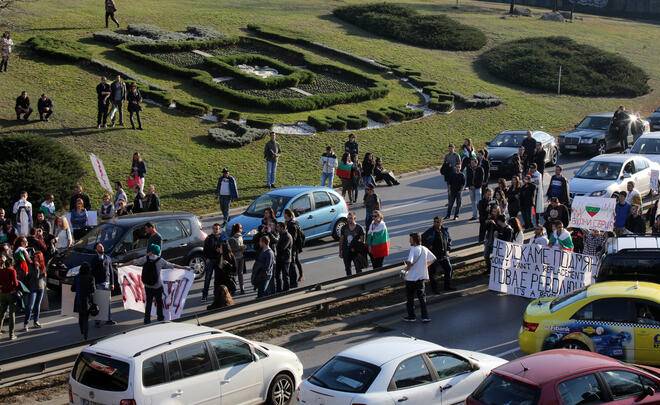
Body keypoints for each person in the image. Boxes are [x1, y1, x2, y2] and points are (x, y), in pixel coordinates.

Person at [117, 244, 191, 324]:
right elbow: (172, 265)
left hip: (147, 285)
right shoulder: (160, 260)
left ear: (151, 251)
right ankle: (160, 317)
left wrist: (122, 265)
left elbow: (134, 261)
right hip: (157, 285)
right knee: (159, 302)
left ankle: (147, 319)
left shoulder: (145, 259)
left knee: (148, 303)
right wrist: (184, 268)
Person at [403, 232, 436, 323]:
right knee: (422, 298)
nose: (409, 241)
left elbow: (409, 261)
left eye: (410, 239)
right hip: (421, 278)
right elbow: (433, 258)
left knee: (410, 299)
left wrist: (406, 268)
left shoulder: (413, 250)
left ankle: (411, 316)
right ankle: (425, 316)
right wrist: (425, 265)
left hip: (411, 278)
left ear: (414, 240)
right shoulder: (424, 248)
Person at [422, 216, 453, 292]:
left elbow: (449, 240)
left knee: (449, 269)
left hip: (443, 254)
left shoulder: (444, 231)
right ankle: (434, 289)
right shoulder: (430, 231)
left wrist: (448, 250)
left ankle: (447, 286)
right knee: (432, 273)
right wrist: (428, 246)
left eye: (437, 222)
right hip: (434, 256)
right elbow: (422, 240)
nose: (435, 223)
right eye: (434, 222)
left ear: (441, 223)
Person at [90, 242, 116, 327]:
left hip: (107, 283)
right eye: (99, 247)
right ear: (96, 250)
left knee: (107, 302)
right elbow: (92, 273)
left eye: (102, 246)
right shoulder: (94, 260)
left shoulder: (107, 258)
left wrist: (112, 283)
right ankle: (98, 320)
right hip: (98, 284)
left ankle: (109, 319)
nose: (101, 248)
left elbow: (111, 271)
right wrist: (93, 285)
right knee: (99, 302)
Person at [71, 262, 95, 340]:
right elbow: (93, 290)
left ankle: (82, 330)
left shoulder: (77, 277)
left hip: (78, 299)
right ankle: (86, 334)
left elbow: (72, 289)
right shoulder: (91, 277)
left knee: (80, 316)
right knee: (86, 317)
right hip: (87, 300)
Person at [339, 212, 366, 276]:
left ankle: (360, 282)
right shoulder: (344, 228)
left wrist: (361, 253)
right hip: (346, 251)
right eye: (348, 218)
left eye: (351, 218)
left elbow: (363, 242)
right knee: (347, 268)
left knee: (358, 268)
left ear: (355, 218)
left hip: (355, 251)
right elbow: (341, 240)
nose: (349, 220)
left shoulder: (359, 228)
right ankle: (350, 282)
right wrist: (340, 251)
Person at [200, 223, 221, 303]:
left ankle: (216, 295)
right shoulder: (209, 238)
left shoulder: (222, 238)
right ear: (212, 229)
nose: (215, 230)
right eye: (214, 228)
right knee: (207, 278)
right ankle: (204, 295)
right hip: (211, 260)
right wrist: (207, 258)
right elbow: (205, 250)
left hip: (218, 260)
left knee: (217, 279)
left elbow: (225, 248)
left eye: (217, 229)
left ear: (219, 230)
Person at [0, 256, 19, 340]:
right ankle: (11, 334)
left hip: (3, 293)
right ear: (12, 264)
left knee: (1, 314)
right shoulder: (12, 271)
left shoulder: (1, 271)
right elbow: (15, 283)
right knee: (12, 314)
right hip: (11, 293)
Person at [284, 209, 304, 285]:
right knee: (296, 260)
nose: (283, 215)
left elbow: (294, 237)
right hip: (293, 245)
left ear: (287, 215)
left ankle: (296, 279)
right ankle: (301, 274)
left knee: (293, 261)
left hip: (294, 245)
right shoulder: (288, 222)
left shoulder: (292, 224)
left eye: (284, 214)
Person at [228, 223, 247, 295]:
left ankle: (242, 288)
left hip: (241, 257)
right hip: (235, 258)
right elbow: (232, 250)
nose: (242, 229)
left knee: (241, 273)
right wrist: (241, 248)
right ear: (237, 229)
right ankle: (233, 288)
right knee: (234, 274)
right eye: (241, 228)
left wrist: (243, 247)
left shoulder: (240, 237)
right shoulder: (232, 239)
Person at [275, 222, 293, 292]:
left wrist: (277, 246)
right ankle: (279, 289)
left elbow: (282, 248)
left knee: (285, 275)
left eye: (278, 227)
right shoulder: (281, 235)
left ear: (282, 228)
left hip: (285, 259)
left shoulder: (287, 236)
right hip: (280, 258)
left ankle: (286, 289)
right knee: (277, 274)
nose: (277, 228)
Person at [483, 205, 501, 272]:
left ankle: (494, 269)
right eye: (493, 211)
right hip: (489, 239)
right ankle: (489, 268)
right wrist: (487, 223)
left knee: (495, 256)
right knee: (486, 255)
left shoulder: (500, 218)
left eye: (495, 211)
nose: (494, 213)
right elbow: (486, 228)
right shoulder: (490, 217)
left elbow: (500, 229)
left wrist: (494, 224)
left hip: (496, 240)